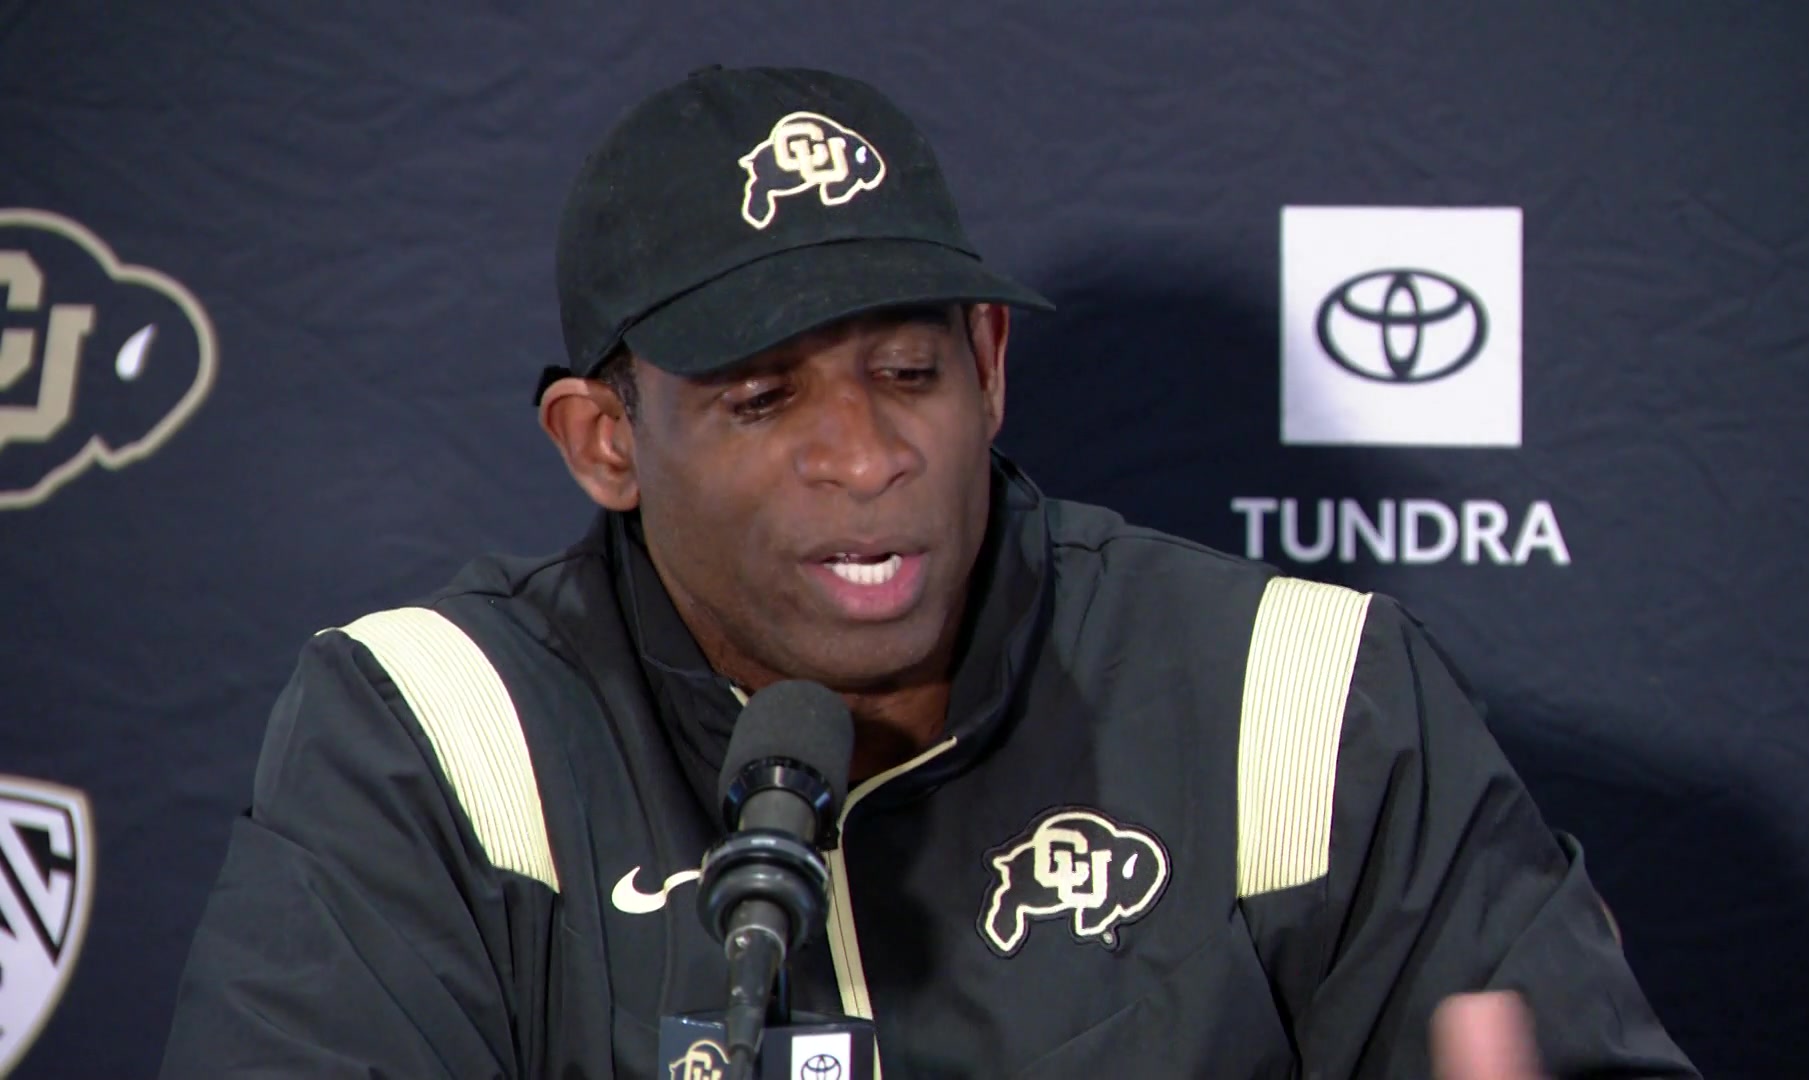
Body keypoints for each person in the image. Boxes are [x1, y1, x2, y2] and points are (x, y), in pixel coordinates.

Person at [159, 65, 1698, 1079]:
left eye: (908, 372)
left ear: (992, 366)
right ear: (603, 442)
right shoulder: (437, 734)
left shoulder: (1295, 694)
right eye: (763, 399)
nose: (864, 456)